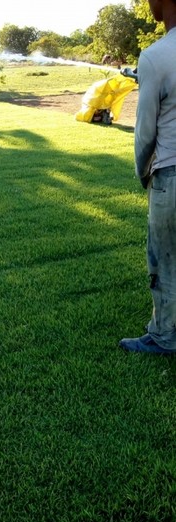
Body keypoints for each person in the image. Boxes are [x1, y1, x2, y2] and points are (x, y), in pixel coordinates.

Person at [120, 0, 176, 354]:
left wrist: (144, 171)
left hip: (171, 173)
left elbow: (145, 131)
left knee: (165, 259)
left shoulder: (156, 55)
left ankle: (165, 335)